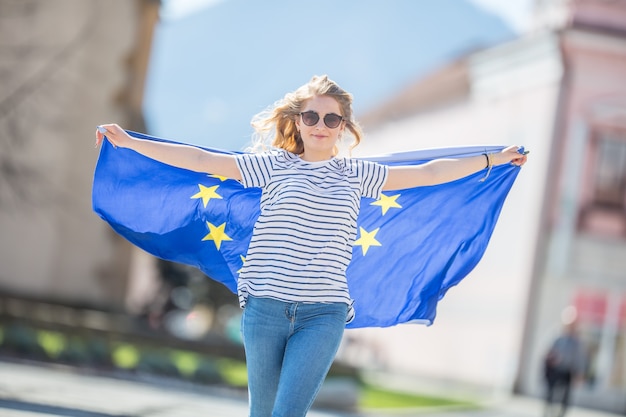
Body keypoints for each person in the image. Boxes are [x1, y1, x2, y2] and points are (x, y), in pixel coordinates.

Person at [95, 75, 528, 417]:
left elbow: (430, 173)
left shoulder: (358, 175)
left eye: (332, 119)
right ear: (297, 122)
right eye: (312, 117)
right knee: (263, 414)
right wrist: (130, 142)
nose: (321, 126)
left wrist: (494, 158)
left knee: (287, 413)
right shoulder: (273, 167)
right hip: (265, 309)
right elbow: (204, 161)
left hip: (324, 314)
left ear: (344, 127)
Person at [543, 321, 587, 417]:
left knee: (566, 396)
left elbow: (579, 358)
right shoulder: (558, 338)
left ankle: (561, 414)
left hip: (568, 371)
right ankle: (547, 411)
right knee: (551, 392)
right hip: (556, 369)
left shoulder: (577, 342)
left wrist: (580, 373)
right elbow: (548, 352)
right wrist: (552, 358)